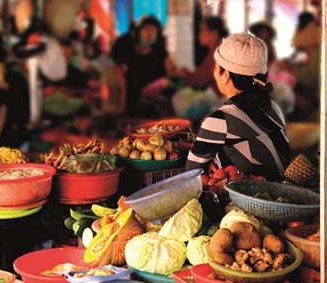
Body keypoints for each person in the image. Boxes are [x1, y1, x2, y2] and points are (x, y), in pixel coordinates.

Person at [185, 34, 289, 180]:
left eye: (216, 67)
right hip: (279, 189)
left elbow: (190, 173)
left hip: (251, 198)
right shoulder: (272, 106)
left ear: (226, 75)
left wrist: (211, 164)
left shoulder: (220, 120)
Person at [111, 15, 175, 115]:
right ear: (138, 32)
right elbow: (118, 78)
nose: (150, 34)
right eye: (146, 30)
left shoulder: (159, 50)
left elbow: (171, 70)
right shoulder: (125, 49)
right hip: (131, 98)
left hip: (156, 96)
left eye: (153, 31)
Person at [176, 17, 228, 94]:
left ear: (214, 34)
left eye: (202, 31)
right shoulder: (217, 51)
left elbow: (198, 81)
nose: (199, 35)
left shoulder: (216, 55)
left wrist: (185, 74)